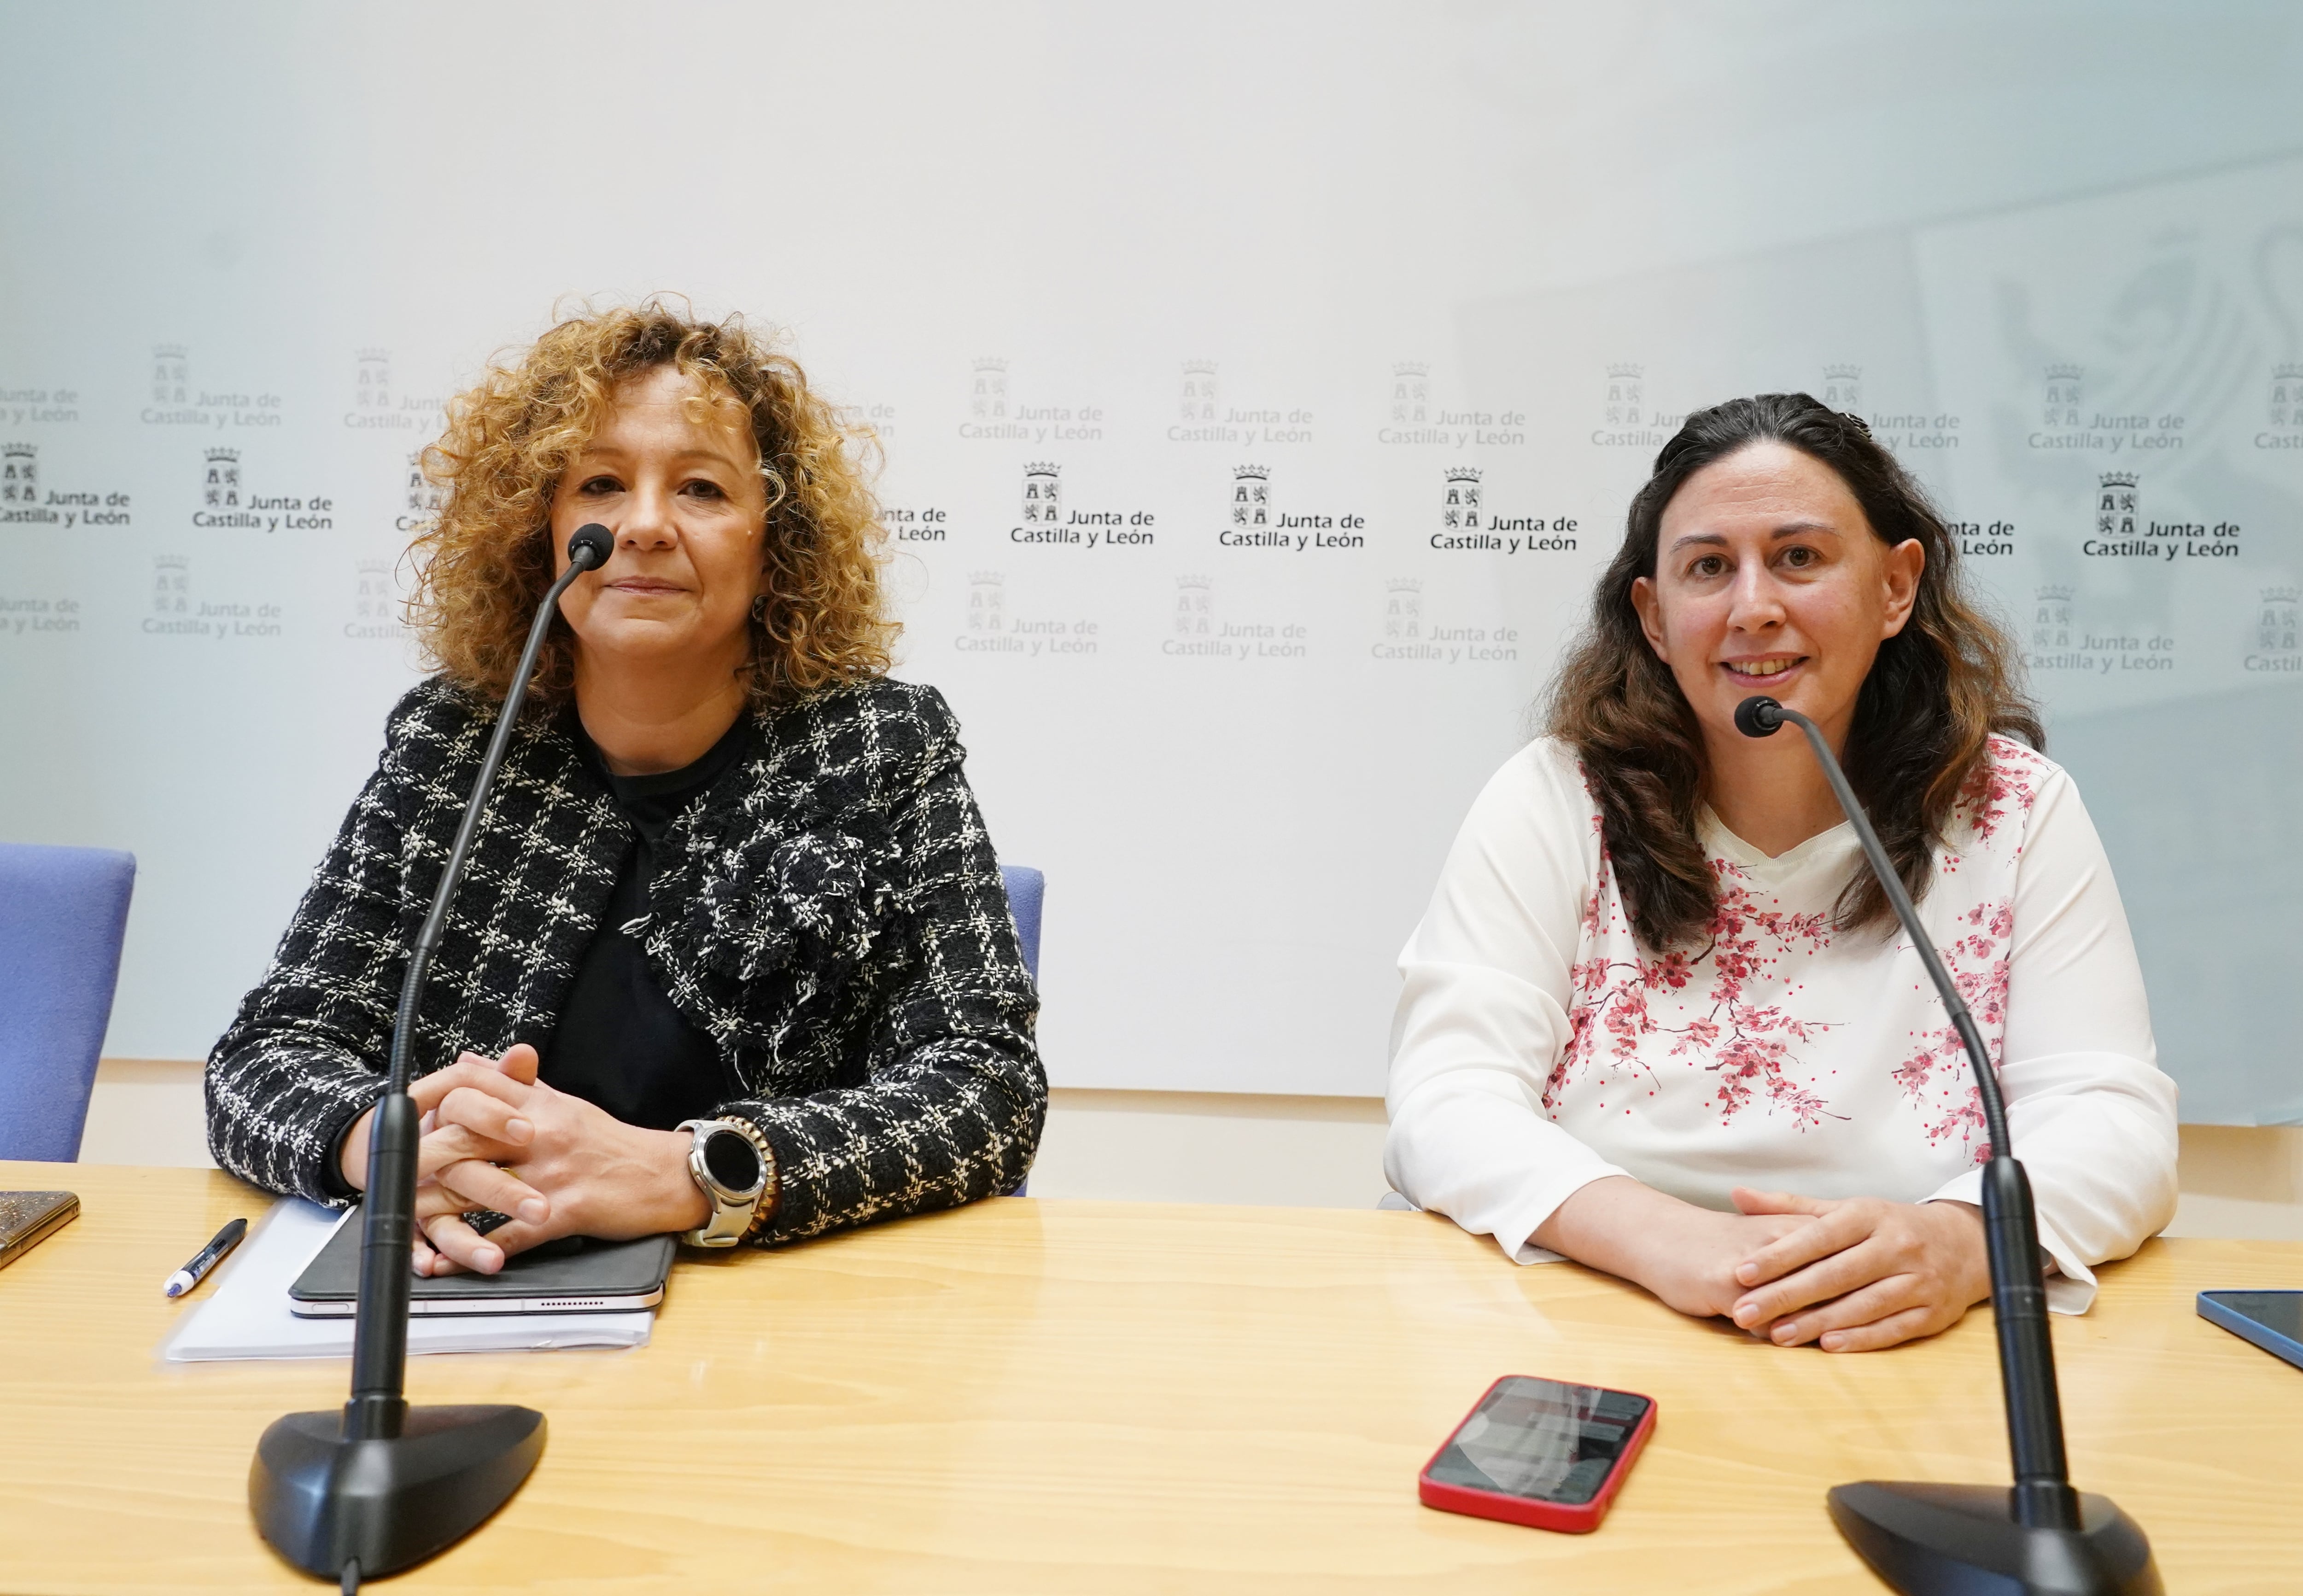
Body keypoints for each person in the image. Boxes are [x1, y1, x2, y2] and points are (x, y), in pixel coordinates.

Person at [206, 303, 1044, 1274]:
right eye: (600, 483)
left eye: (699, 488)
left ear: (775, 541)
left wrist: (691, 1169)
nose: (642, 525)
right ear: (541, 530)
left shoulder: (880, 746)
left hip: (776, 1303)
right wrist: (385, 1149)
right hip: (472, 1278)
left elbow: (986, 1087)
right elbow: (269, 1049)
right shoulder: (452, 744)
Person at [1385, 393, 2176, 1352]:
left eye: (1799, 558)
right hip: (1592, 1320)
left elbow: (2112, 1120)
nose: (1753, 607)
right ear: (1652, 614)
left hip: (1906, 1341)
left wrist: (1963, 1243)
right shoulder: (1556, 797)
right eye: (1708, 568)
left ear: (1895, 586)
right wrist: (1679, 1242)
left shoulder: (2012, 809)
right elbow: (1446, 1102)